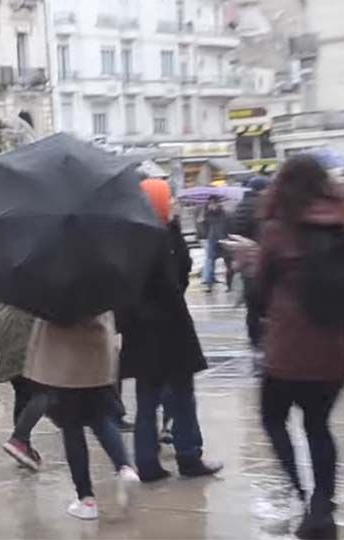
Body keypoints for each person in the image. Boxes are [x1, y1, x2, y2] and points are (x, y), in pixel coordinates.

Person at [256, 155, 344, 540]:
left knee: (272, 418)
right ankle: (323, 505)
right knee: (319, 425)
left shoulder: (277, 230)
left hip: (291, 347)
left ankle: (303, 495)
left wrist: (248, 265)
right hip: (338, 345)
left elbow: (259, 291)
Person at [119, 179, 223, 483]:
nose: (174, 203)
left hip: (140, 335)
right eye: (169, 199)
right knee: (182, 396)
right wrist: (174, 231)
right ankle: (189, 455)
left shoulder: (131, 238)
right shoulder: (158, 240)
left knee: (147, 400)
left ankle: (148, 463)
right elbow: (176, 281)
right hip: (168, 332)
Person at [22, 312, 136, 520]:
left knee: (71, 428)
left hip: (65, 365)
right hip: (97, 357)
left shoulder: (50, 286)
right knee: (101, 419)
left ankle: (86, 499)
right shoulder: (98, 282)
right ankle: (124, 466)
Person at [0, 301, 44, 471]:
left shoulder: (11, 275)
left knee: (23, 391)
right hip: (19, 331)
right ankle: (19, 439)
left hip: (2, 321)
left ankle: (23, 445)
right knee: (48, 390)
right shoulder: (40, 277)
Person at [232, 176, 270, 349]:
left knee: (251, 302)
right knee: (265, 301)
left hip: (244, 262)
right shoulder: (262, 207)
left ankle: (253, 335)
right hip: (260, 258)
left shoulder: (240, 207)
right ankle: (263, 336)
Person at [199, 195, 234, 293]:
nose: (212, 205)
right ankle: (209, 285)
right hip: (212, 239)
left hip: (223, 238)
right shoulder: (207, 214)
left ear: (218, 203)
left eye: (214, 203)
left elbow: (229, 224)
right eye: (210, 203)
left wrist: (229, 236)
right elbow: (203, 226)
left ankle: (229, 285)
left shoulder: (224, 213)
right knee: (210, 262)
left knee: (227, 262)